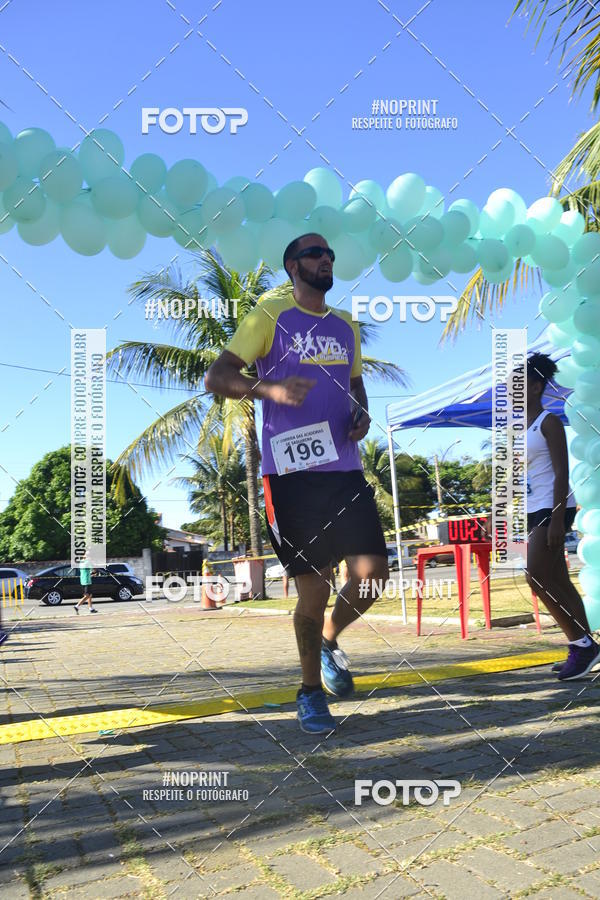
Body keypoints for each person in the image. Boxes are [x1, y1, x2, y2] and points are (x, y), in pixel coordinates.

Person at [205, 232, 388, 733]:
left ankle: (330, 638)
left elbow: (355, 383)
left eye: (330, 253)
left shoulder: (346, 325)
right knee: (314, 586)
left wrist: (362, 412)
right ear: (292, 266)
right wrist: (271, 389)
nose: (326, 258)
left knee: (373, 576)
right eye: (314, 253)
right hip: (290, 474)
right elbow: (217, 377)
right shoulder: (268, 318)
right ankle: (309, 693)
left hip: (344, 469)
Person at [525, 352, 600, 679]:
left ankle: (581, 646)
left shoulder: (549, 422)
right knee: (557, 579)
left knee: (536, 576)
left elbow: (561, 472)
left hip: (553, 507)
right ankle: (589, 647)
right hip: (531, 509)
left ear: (536, 385)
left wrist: (557, 518)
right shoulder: (520, 428)